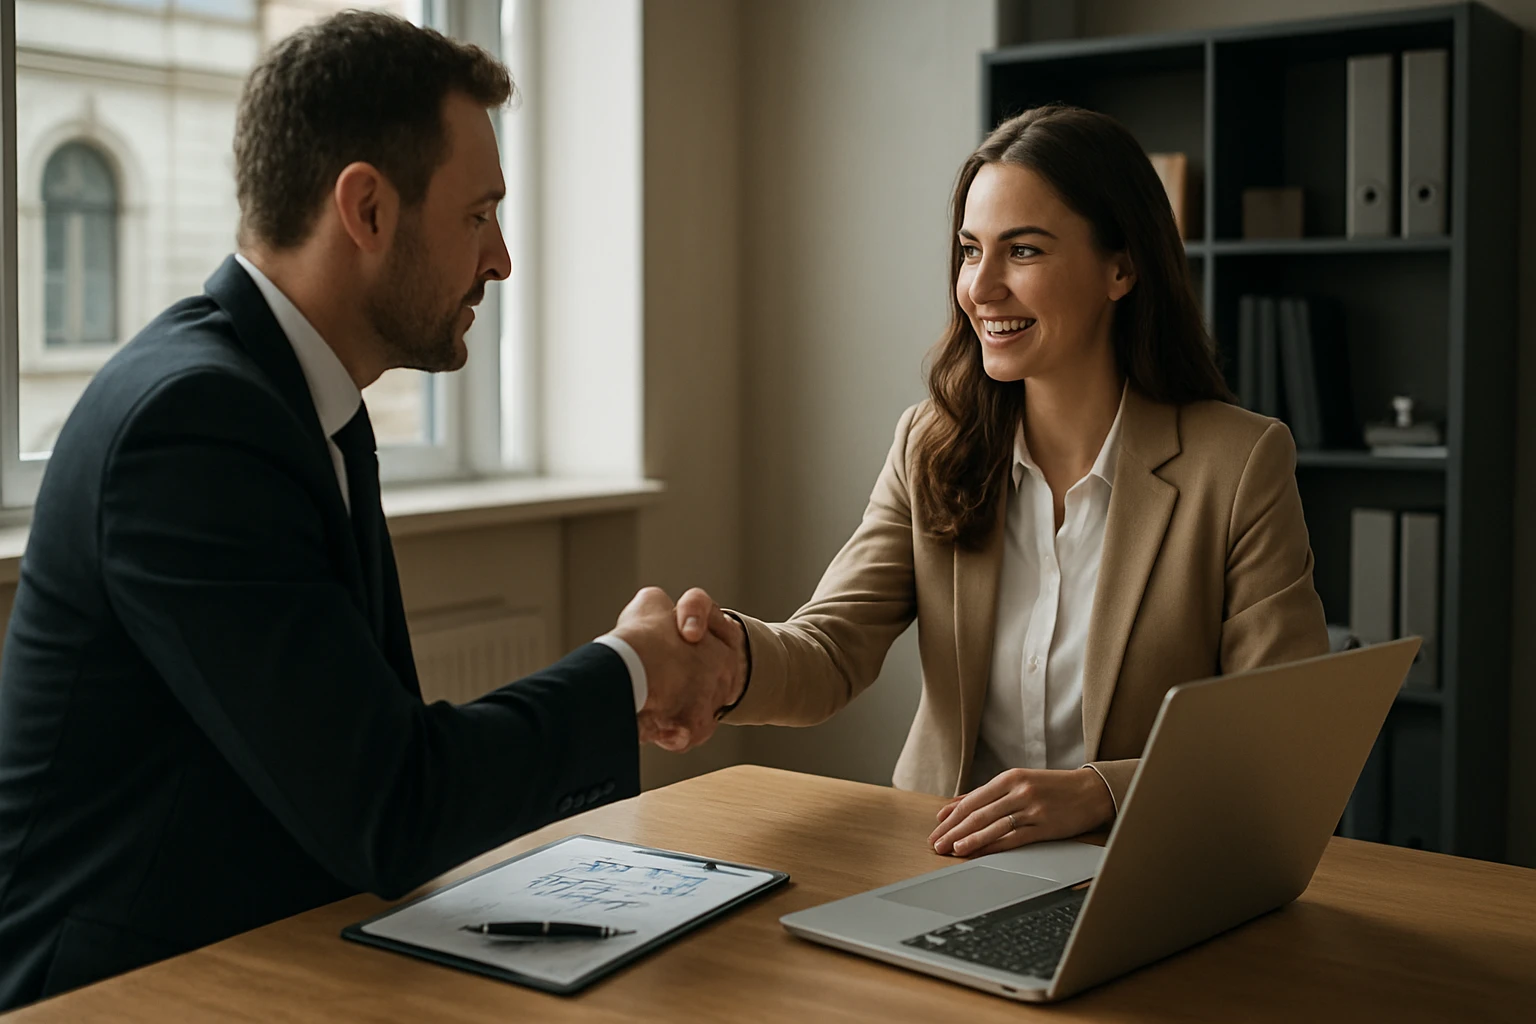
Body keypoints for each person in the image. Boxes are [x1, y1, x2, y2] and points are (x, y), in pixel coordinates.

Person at [0, 13, 738, 1009]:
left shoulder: (290, 401)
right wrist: (631, 668)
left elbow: (373, 790)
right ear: (368, 208)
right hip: (123, 991)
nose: (502, 259)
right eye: (478, 215)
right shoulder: (193, 425)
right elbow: (393, 805)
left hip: (277, 948)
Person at [684, 105, 1328, 858]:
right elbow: (831, 649)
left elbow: (1279, 735)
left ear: (1122, 268)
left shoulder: (1239, 463)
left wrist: (1100, 791)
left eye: (1022, 251)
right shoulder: (929, 443)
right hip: (942, 858)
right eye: (970, 251)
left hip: (1140, 867)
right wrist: (728, 659)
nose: (980, 288)